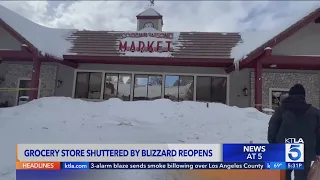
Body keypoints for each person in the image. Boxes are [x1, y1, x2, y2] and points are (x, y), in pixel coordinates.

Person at [267, 84, 320, 180]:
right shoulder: (314, 112)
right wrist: (318, 152)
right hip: (305, 149)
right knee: (302, 177)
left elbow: (272, 128)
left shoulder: (281, 110)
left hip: (284, 147)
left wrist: (274, 145)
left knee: (283, 176)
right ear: (303, 96)